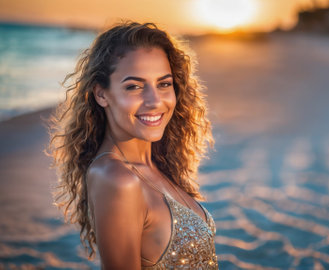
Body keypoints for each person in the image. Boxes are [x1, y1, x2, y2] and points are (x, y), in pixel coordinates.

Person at [48, 21, 217, 269]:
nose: (154, 101)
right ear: (101, 94)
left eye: (164, 83)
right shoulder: (117, 178)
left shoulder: (155, 164)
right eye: (134, 86)